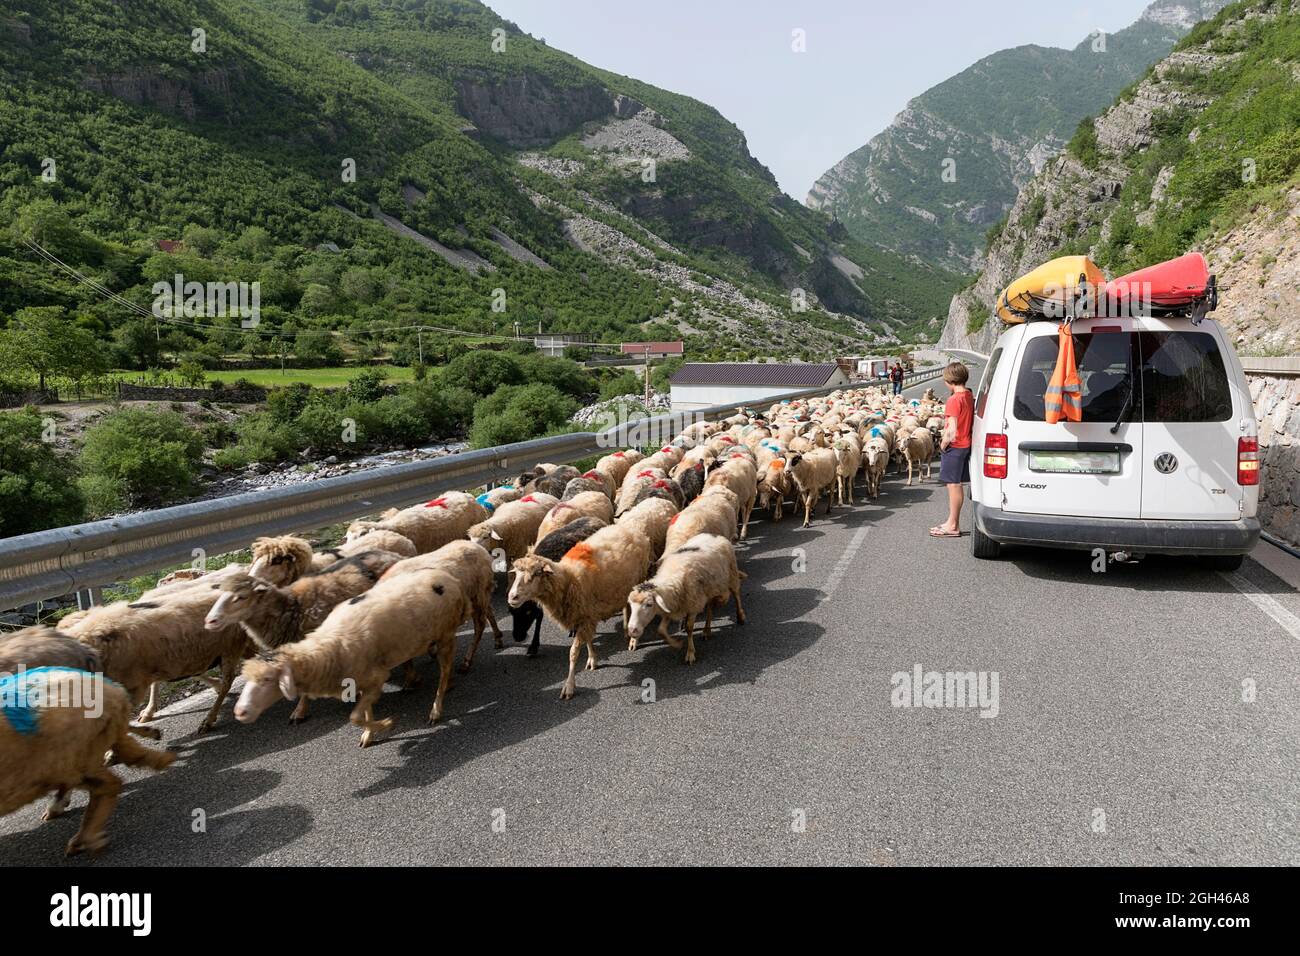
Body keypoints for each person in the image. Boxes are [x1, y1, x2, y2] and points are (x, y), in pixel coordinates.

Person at [930, 362, 973, 538]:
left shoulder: (954, 399)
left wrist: (942, 445)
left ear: (949, 380)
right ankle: (951, 521)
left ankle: (953, 525)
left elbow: (952, 429)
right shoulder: (968, 394)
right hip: (965, 444)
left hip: (955, 446)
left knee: (953, 485)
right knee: (957, 484)